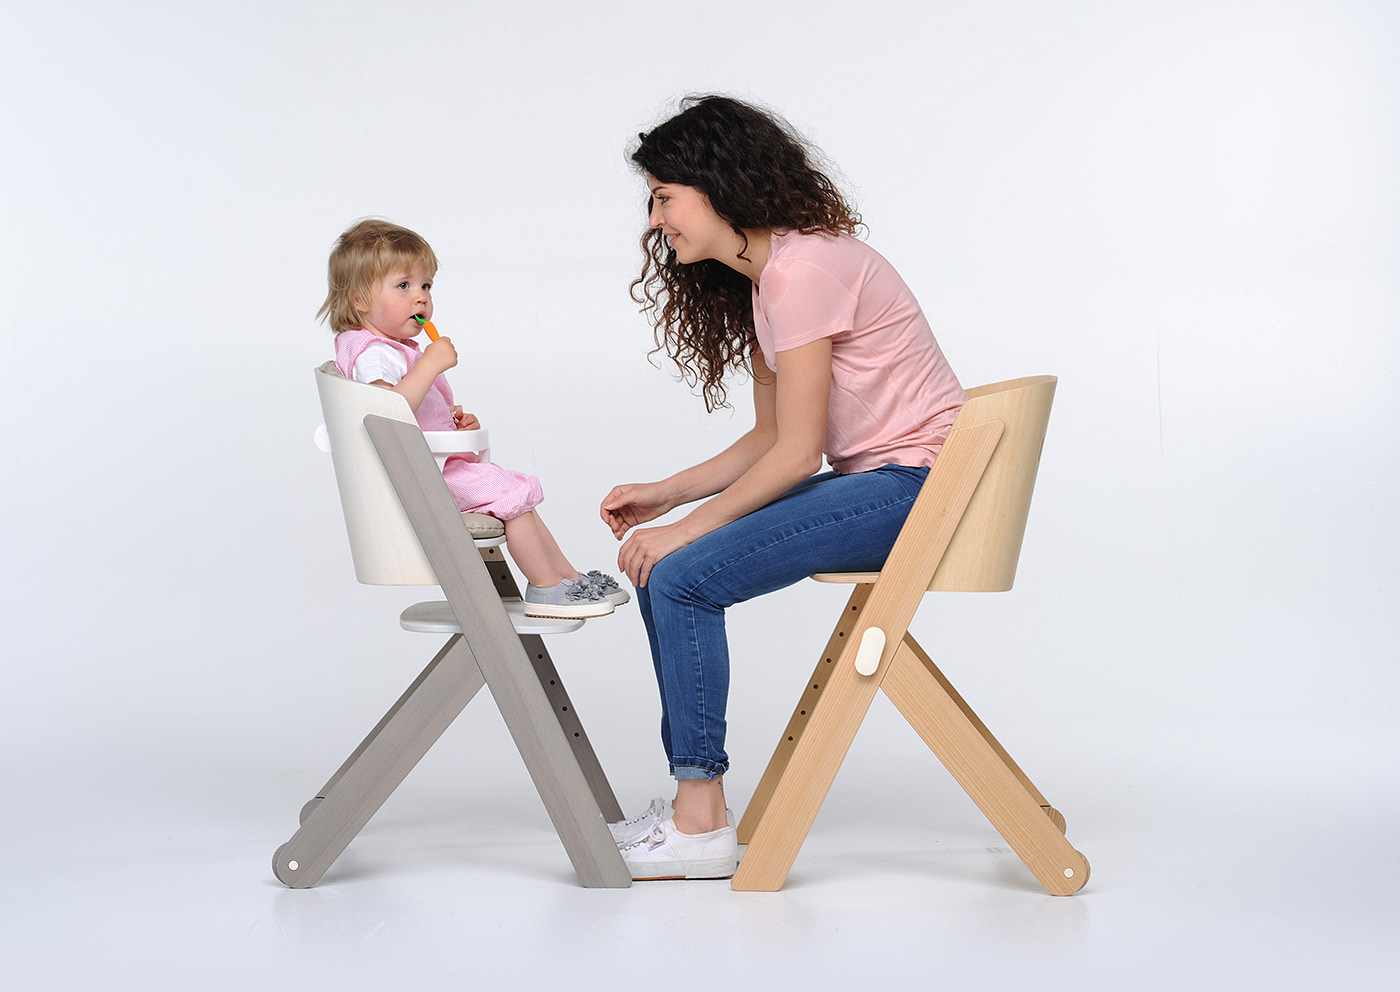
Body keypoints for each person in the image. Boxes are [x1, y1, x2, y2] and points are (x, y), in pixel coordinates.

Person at [600, 97, 966, 880]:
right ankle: (698, 813)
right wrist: (668, 495)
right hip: (886, 484)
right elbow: (771, 441)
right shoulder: (771, 280)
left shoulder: (802, 273)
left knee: (685, 577)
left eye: (665, 196)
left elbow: (798, 455)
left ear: (718, 183)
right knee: (669, 569)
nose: (657, 219)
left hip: (920, 490)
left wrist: (688, 529)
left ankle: (699, 822)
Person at [319, 218, 627, 619]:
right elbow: (383, 412)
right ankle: (547, 588)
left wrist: (450, 423)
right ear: (360, 299)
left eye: (426, 286)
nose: (421, 299)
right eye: (403, 286)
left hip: (426, 469)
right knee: (511, 496)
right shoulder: (375, 352)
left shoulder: (393, 349)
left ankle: (568, 578)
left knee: (515, 495)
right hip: (418, 479)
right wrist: (429, 365)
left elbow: (411, 410)